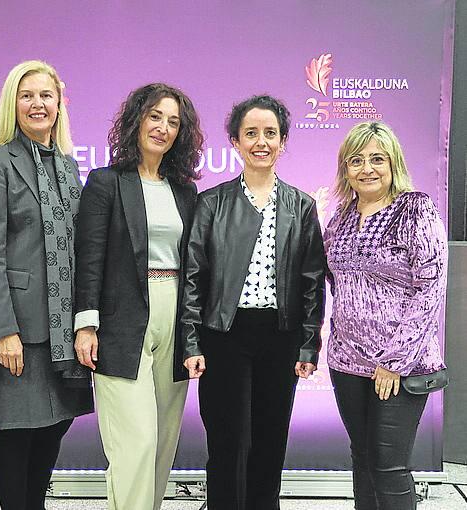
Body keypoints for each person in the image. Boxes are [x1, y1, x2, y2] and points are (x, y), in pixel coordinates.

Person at [181, 95, 326, 510]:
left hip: (280, 338)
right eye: (251, 133)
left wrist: (307, 343)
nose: (261, 141)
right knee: (227, 441)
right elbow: (195, 276)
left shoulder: (301, 206)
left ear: (283, 142)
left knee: (269, 439)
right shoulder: (212, 202)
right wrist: (191, 342)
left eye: (270, 133)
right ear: (235, 142)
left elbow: (312, 281)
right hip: (223, 335)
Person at [73, 83, 204, 510]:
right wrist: (86, 324)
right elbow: (89, 258)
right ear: (136, 120)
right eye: (155, 117)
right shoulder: (106, 183)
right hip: (120, 320)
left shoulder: (185, 191)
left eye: (173, 122)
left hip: (175, 315)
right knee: (137, 443)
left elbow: (196, 266)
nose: (163, 128)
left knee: (164, 442)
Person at [0, 60, 93, 510]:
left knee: (56, 423)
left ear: (59, 104)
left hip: (64, 326)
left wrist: (86, 318)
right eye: (27, 96)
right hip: (19, 327)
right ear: (13, 105)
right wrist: (4, 329)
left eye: (46, 95)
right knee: (19, 429)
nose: (37, 104)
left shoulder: (67, 165)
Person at [324, 121, 448, 510]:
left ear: (393, 163)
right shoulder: (339, 218)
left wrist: (393, 362)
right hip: (346, 364)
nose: (367, 169)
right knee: (362, 460)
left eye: (377, 159)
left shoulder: (415, 209)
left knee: (388, 467)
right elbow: (335, 281)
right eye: (356, 160)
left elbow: (429, 289)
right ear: (346, 169)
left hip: (400, 368)